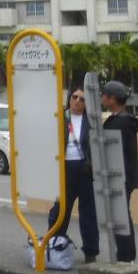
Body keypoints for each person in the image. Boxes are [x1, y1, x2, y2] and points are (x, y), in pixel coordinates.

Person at [47, 88, 99, 263]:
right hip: (65, 167)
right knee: (60, 209)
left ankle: (91, 252)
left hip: (85, 170)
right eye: (75, 97)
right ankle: (54, 243)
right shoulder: (59, 118)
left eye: (82, 99)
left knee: (89, 213)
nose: (77, 101)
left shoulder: (91, 121)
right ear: (69, 99)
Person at [101, 80, 138, 262]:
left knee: (120, 217)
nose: (102, 98)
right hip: (125, 176)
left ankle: (126, 257)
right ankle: (126, 256)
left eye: (104, 95)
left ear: (112, 98)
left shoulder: (119, 122)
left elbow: (107, 148)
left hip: (120, 177)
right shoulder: (123, 120)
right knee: (121, 215)